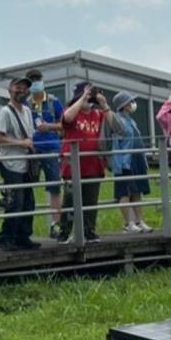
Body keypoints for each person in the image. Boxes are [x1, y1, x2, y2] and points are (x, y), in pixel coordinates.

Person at [57, 82, 115, 242]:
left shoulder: (98, 114)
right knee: (70, 200)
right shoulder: (71, 111)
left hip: (93, 163)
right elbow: (67, 118)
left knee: (90, 200)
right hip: (72, 164)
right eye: (86, 96)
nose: (88, 100)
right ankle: (64, 231)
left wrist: (103, 104)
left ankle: (88, 231)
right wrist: (82, 97)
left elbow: (116, 127)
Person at [0, 77, 41, 251]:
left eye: (24, 87)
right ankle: (6, 239)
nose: (21, 90)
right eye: (18, 87)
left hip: (26, 164)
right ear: (10, 90)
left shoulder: (27, 111)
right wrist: (20, 143)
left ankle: (23, 236)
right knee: (16, 202)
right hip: (11, 164)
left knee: (29, 202)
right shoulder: (5, 112)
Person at [25, 69, 66, 239]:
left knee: (55, 186)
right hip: (31, 148)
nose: (35, 83)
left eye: (37, 79)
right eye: (32, 80)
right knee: (26, 186)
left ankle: (55, 224)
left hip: (51, 147)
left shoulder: (53, 102)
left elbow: (64, 124)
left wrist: (49, 126)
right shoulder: (25, 104)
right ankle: (24, 228)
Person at [109, 91, 152, 233]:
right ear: (123, 105)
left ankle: (139, 221)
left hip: (137, 159)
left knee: (136, 191)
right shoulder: (116, 119)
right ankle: (128, 223)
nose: (132, 104)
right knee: (124, 192)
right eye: (129, 102)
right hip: (124, 161)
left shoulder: (131, 120)